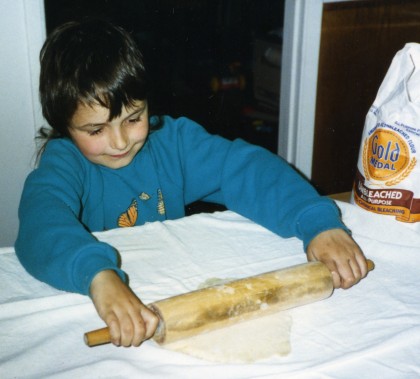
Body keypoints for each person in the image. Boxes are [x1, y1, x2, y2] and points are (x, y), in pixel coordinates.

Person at [15, 19, 368, 348]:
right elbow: (41, 222)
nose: (121, 142)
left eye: (133, 118)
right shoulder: (65, 161)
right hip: (101, 304)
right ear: (63, 124)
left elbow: (246, 170)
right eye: (96, 130)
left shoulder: (173, 142)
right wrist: (97, 276)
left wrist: (316, 223)